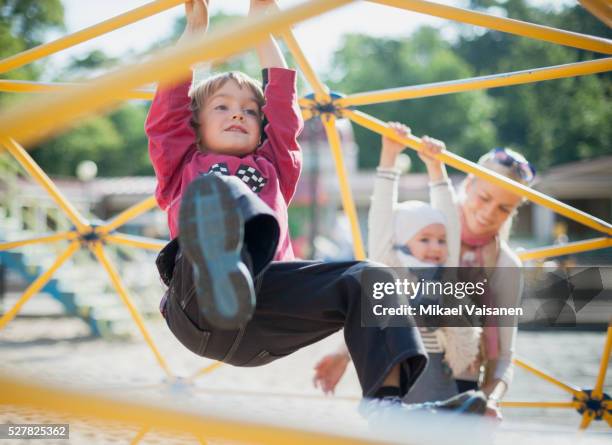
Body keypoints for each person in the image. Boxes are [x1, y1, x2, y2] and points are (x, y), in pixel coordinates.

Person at [146, 0, 490, 416]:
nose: (238, 112)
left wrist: (262, 27)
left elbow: (282, 103)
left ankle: (387, 406)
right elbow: (166, 108)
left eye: (249, 111)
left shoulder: (275, 167)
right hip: (197, 306)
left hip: (262, 317)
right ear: (194, 125)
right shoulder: (182, 164)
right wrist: (195, 33)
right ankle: (223, 272)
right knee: (219, 187)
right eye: (222, 106)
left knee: (371, 277)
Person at [315, 123, 535, 419]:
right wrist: (343, 352)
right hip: (409, 367)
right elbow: (383, 285)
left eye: (504, 209)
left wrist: (489, 399)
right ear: (468, 184)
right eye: (484, 198)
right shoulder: (423, 225)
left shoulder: (504, 264)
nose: (488, 213)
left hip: (459, 380)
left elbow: (504, 356)